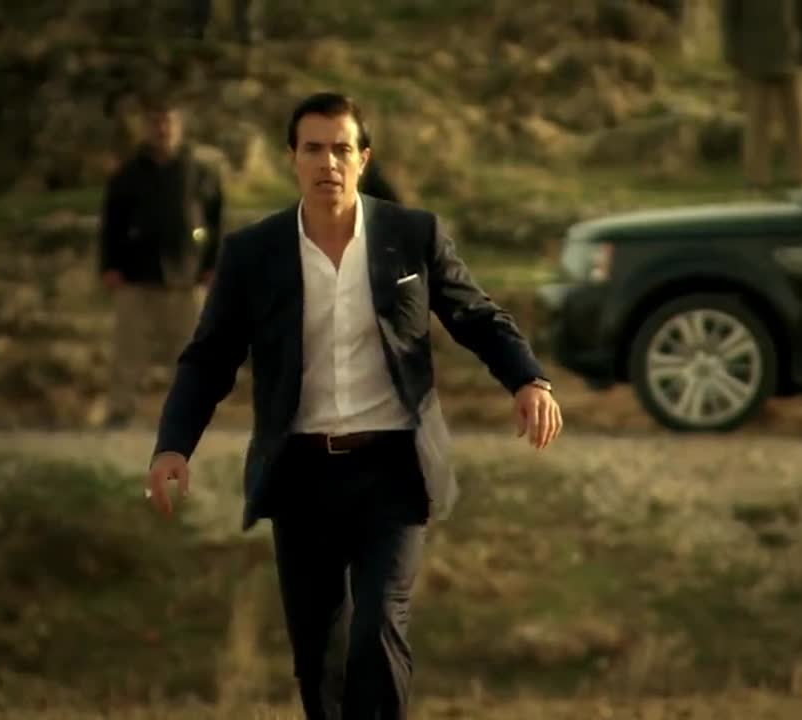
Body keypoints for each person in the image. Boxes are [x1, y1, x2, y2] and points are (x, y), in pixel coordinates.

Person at [143, 92, 563, 719]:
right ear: (292, 159)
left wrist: (529, 380)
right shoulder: (253, 253)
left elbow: (477, 317)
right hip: (300, 473)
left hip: (392, 468)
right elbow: (208, 359)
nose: (328, 163)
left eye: (342, 149)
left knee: (378, 629)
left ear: (363, 159)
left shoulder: (412, 236)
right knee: (320, 658)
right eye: (313, 149)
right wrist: (174, 445)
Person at [98, 93, 224, 428]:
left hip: (187, 276)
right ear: (145, 127)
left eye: (168, 121)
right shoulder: (127, 175)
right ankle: (120, 411)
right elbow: (111, 223)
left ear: (179, 126)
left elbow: (215, 222)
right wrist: (109, 266)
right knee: (127, 352)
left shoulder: (200, 173)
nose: (162, 128)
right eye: (155, 122)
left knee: (191, 354)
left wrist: (213, 265)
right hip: (136, 276)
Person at [721, 0, 802, 190]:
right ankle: (756, 177)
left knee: (797, 117)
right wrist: (732, 51)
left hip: (791, 52)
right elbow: (730, 14)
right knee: (757, 120)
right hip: (754, 55)